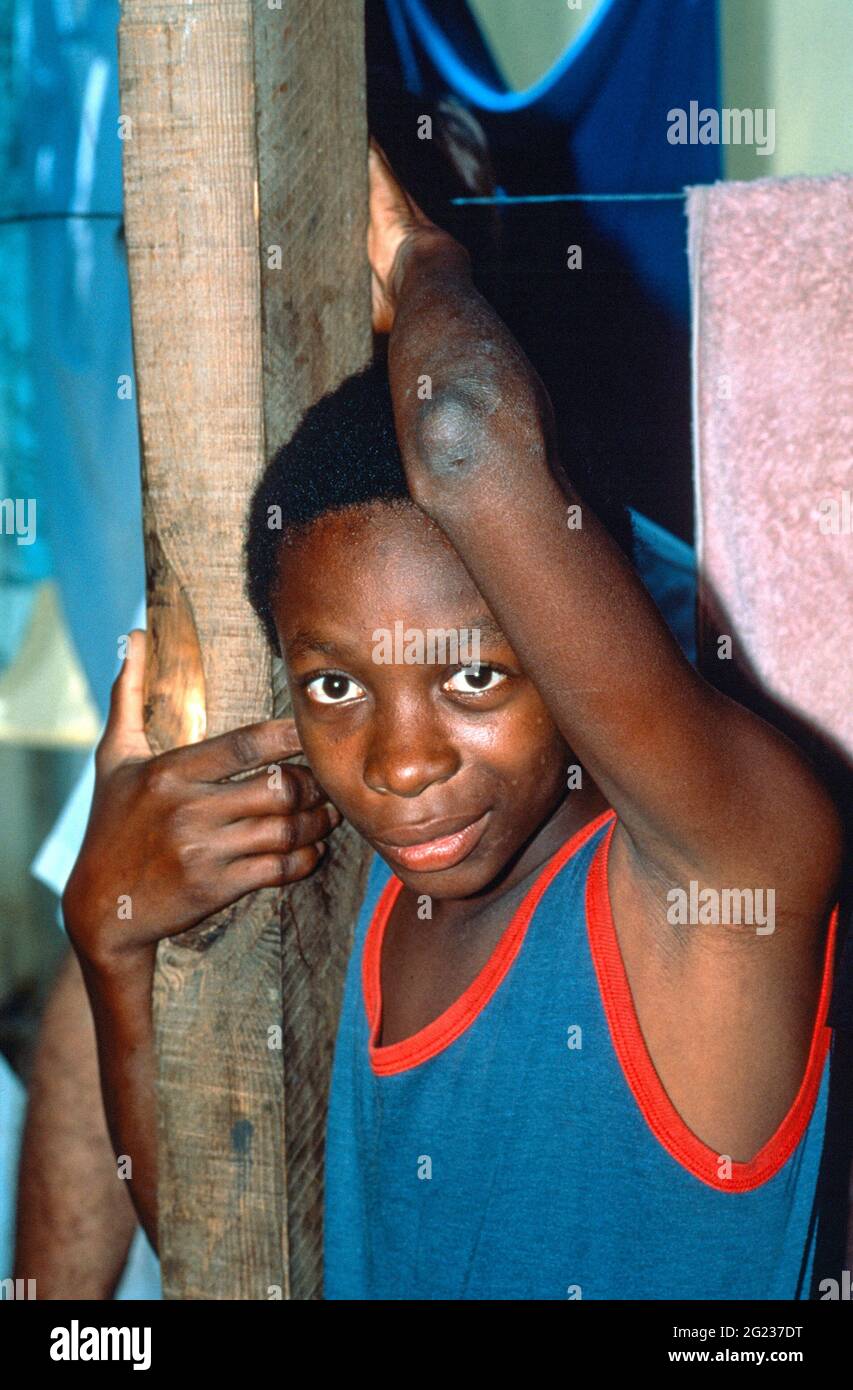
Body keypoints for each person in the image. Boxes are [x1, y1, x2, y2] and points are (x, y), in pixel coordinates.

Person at [61, 143, 842, 1300]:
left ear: (577, 636)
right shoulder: (393, 900)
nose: (403, 761)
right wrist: (109, 943)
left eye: (474, 676)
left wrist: (423, 259)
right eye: (335, 688)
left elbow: (465, 443)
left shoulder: (722, 878)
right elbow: (249, 1266)